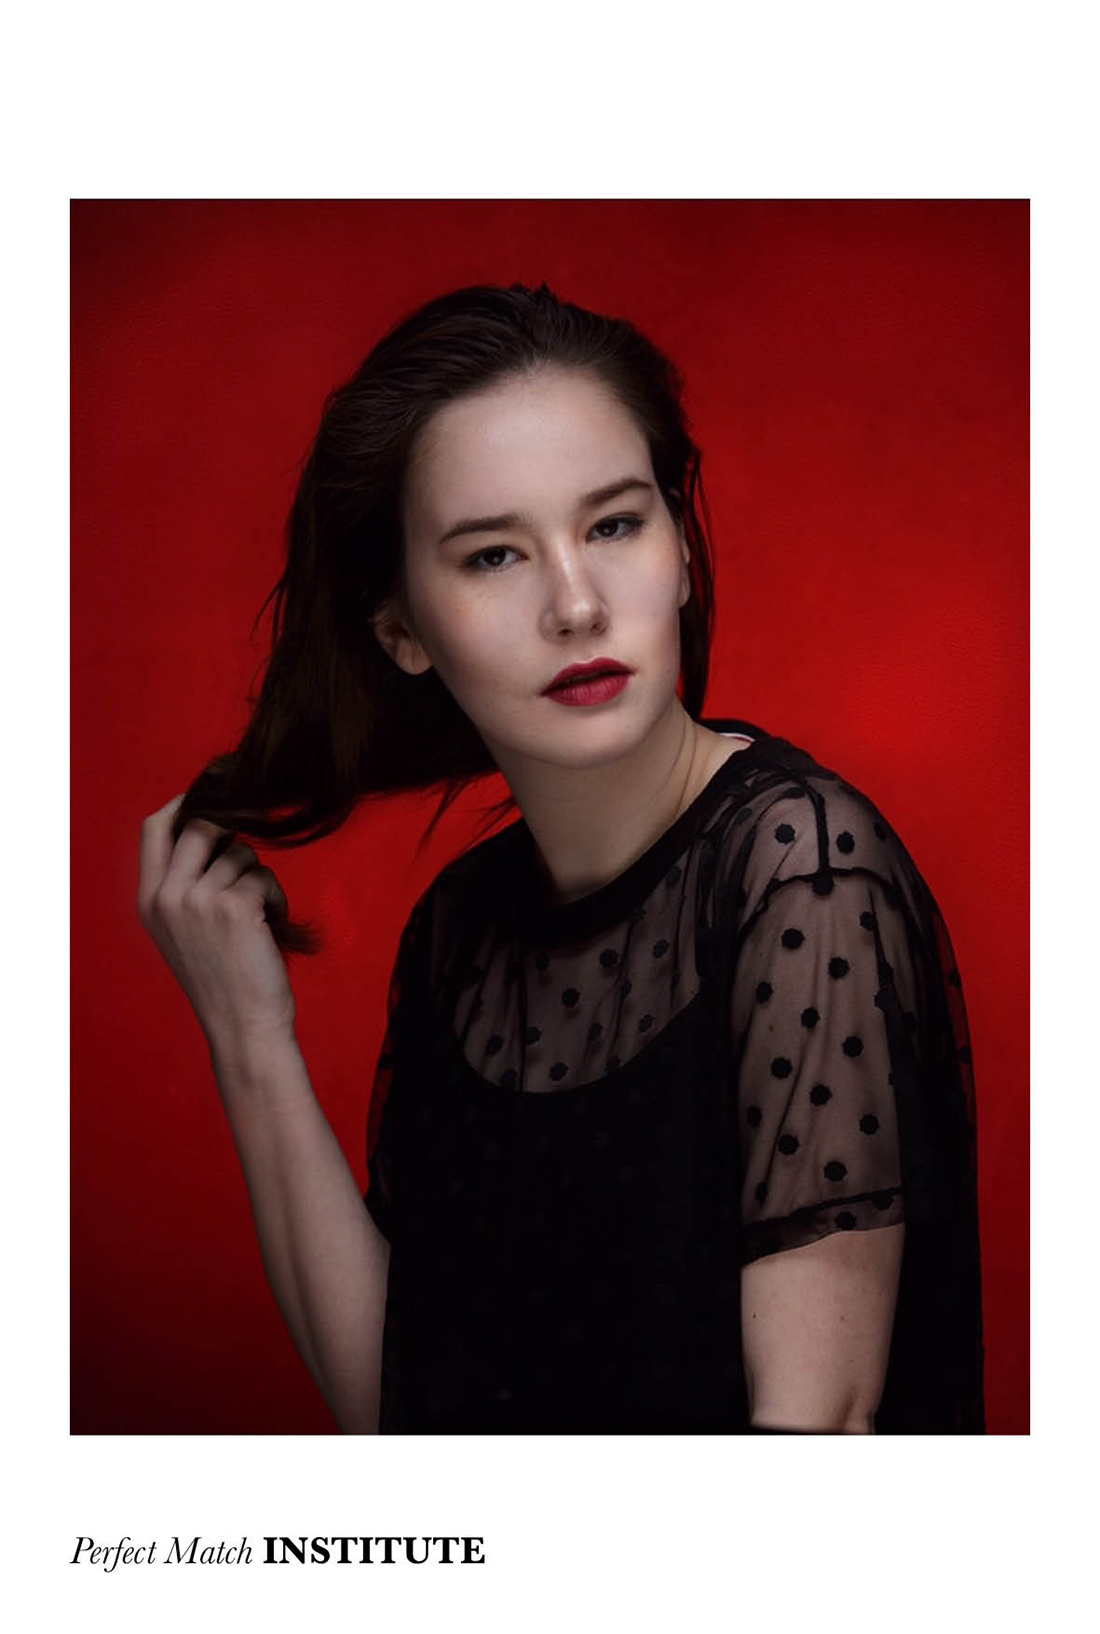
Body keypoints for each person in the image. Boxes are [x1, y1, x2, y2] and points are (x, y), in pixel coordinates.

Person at [137, 282, 985, 1434]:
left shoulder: (801, 872)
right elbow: (407, 1421)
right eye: (493, 555)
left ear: (680, 548)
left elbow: (814, 1442)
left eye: (614, 525)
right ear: (400, 629)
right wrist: (249, 1036)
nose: (576, 604)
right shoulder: (460, 934)